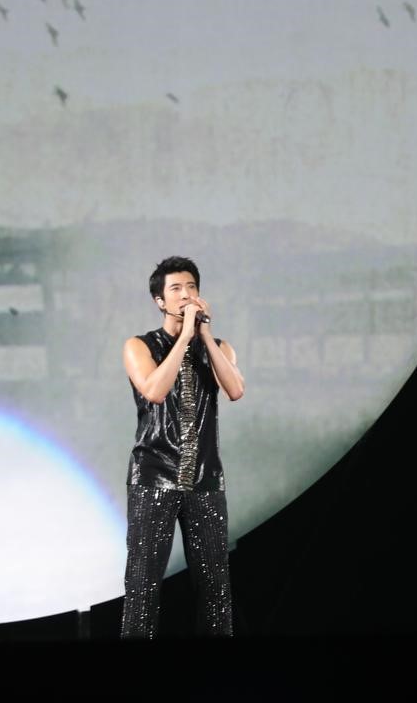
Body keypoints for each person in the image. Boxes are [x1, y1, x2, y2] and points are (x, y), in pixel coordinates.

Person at [120, 256, 244, 638]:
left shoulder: (219, 346)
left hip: (205, 480)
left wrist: (204, 337)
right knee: (143, 588)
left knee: (215, 591)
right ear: (160, 301)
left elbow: (236, 389)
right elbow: (155, 391)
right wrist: (184, 336)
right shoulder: (139, 346)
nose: (186, 295)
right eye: (176, 289)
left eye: (191, 287)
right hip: (153, 478)